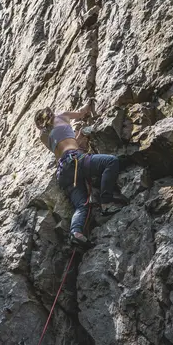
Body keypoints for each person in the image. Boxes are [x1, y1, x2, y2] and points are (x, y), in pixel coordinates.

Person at [35, 102, 127, 248]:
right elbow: (82, 112)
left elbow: (64, 146)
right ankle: (106, 203)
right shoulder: (62, 116)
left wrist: (80, 135)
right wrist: (90, 102)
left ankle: (76, 232)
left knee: (81, 206)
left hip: (63, 173)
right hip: (75, 161)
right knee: (111, 162)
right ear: (50, 112)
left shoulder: (44, 136)